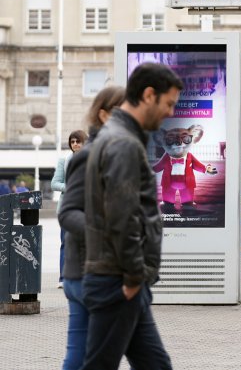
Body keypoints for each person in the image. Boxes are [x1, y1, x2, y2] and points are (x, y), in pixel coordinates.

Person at [82, 63, 181, 369]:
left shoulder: (118, 137)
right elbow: (122, 216)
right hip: (118, 280)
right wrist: (134, 277)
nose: (169, 113)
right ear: (149, 95)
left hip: (121, 278)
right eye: (168, 104)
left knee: (156, 365)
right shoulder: (123, 143)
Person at [56, 85, 126, 370]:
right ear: (104, 115)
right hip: (90, 272)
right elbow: (68, 212)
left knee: (82, 352)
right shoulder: (89, 156)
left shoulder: (119, 151)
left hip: (99, 271)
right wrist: (104, 232)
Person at [52, 129, 87, 289]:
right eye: (72, 142)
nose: (75, 144)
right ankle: (63, 278)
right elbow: (54, 183)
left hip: (87, 208)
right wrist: (71, 187)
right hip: (68, 208)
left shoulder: (92, 159)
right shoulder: (63, 160)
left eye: (78, 141)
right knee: (66, 243)